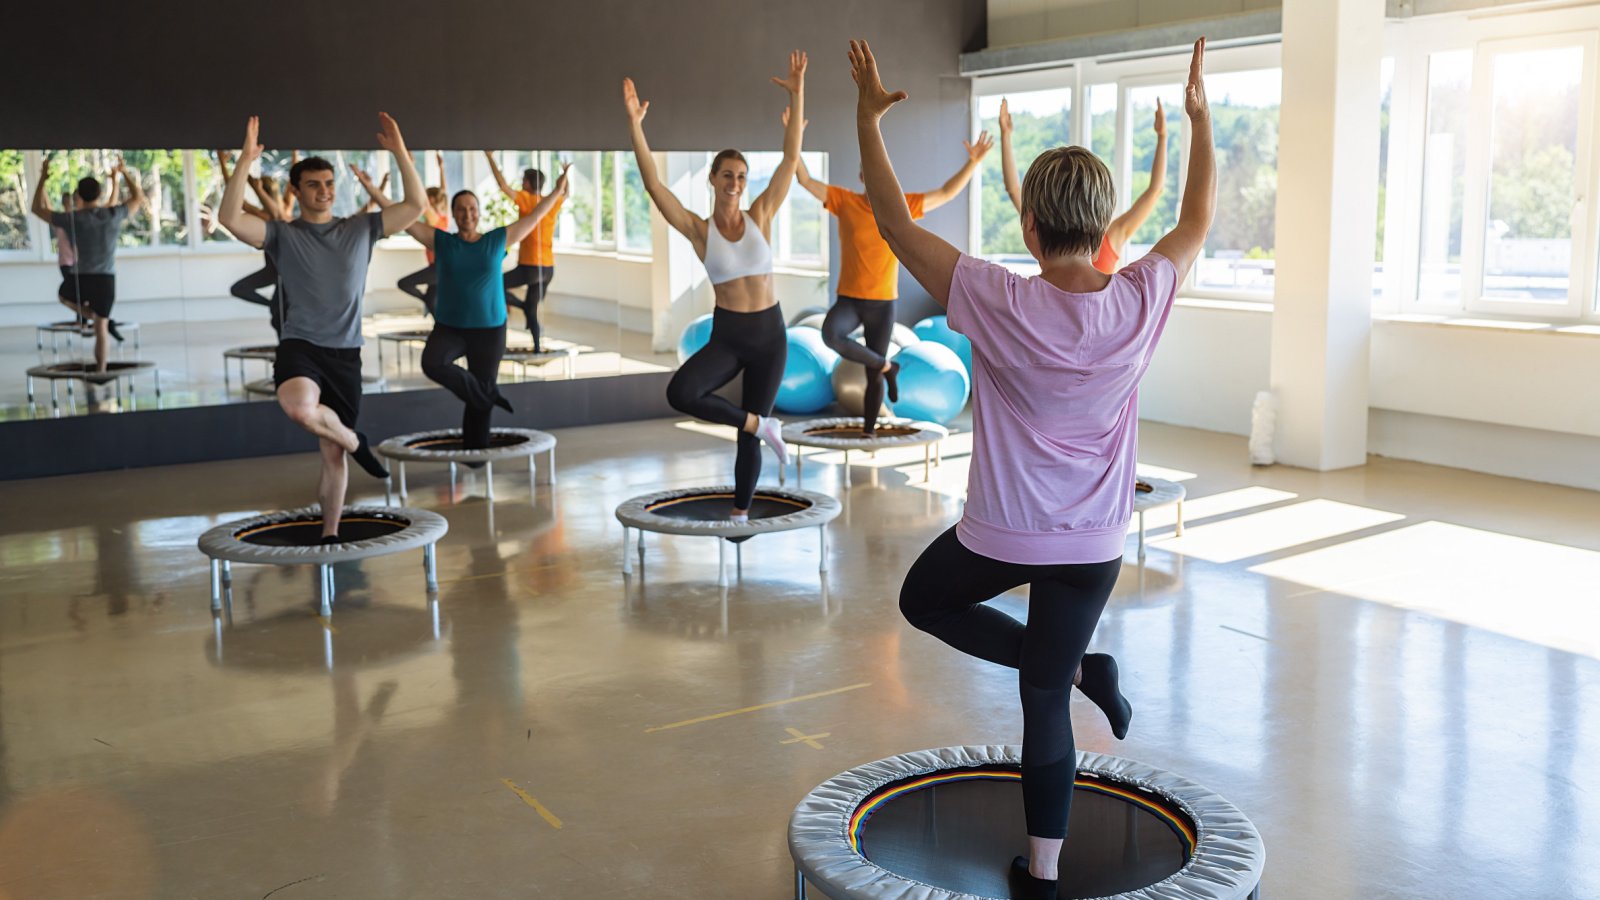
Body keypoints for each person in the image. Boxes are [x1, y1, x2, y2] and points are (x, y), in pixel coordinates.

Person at [849, 37, 1214, 898]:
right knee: (1044, 695)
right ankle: (1043, 871)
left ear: (1031, 226)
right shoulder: (1141, 297)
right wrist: (1198, 121)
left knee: (923, 600)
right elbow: (1195, 223)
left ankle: (1082, 671)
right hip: (1092, 546)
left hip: (1003, 538)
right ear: (1101, 226)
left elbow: (894, 221)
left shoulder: (998, 296)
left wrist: (868, 120)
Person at [219, 113, 428, 540]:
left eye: (329, 183)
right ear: (296, 190)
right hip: (301, 344)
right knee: (299, 409)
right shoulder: (282, 234)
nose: (324, 191)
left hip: (346, 351)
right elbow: (229, 217)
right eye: (314, 184)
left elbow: (415, 207)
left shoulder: (361, 228)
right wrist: (244, 162)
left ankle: (329, 533)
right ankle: (357, 442)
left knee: (331, 454)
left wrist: (401, 153)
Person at [622, 50, 805, 520]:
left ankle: (740, 514)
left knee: (749, 438)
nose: (735, 182)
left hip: (769, 335)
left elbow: (790, 158)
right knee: (682, 392)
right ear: (712, 178)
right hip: (729, 335)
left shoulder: (761, 214)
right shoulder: (699, 230)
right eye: (728, 175)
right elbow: (655, 187)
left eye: (741, 177)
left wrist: (797, 89)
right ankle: (760, 424)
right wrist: (636, 125)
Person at [351, 164, 570, 449]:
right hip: (450, 327)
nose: (468, 214)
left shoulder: (496, 240)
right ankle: (487, 394)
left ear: (478, 213)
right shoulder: (441, 241)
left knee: (478, 402)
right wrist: (371, 188)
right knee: (432, 363)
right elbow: (403, 217)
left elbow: (538, 213)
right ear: (453, 214)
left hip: (490, 329)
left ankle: (476, 454)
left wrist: (559, 187)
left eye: (472, 209)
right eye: (461, 209)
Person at [792, 133, 993, 434]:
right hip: (850, 299)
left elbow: (946, 193)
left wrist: (973, 162)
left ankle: (869, 432)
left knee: (872, 376)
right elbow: (804, 179)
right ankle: (887, 365)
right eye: (868, 174)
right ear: (863, 176)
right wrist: (793, 136)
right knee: (832, 335)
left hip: (883, 302)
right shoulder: (845, 201)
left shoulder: (903, 207)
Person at [999, 95, 1167, 274]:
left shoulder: (1108, 237)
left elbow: (1154, 191)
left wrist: (1163, 137)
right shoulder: (1049, 224)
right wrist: (1005, 136)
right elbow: (1014, 190)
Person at [30, 155, 146, 372]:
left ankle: (91, 316)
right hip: (106, 278)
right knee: (101, 327)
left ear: (78, 196)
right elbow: (138, 197)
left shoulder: (72, 218)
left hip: (81, 277)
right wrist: (123, 173)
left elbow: (37, 209)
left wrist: (43, 179)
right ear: (99, 194)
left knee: (64, 296)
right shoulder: (112, 214)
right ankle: (101, 370)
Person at [485, 153, 564, 351]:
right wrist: (564, 176)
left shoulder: (527, 199)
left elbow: (502, 185)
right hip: (548, 269)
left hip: (530, 266)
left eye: (522, 181)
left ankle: (521, 307)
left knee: (495, 285)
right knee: (532, 309)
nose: (520, 184)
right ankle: (537, 348)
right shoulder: (551, 202)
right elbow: (565, 193)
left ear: (528, 183)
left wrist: (489, 157)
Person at [390, 150, 450, 313]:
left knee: (406, 284)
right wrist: (441, 168)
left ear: (432, 199)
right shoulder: (444, 217)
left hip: (438, 265)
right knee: (432, 300)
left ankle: (444, 326)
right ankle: (442, 324)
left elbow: (419, 197)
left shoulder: (434, 218)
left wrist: (411, 166)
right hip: (439, 264)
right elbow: (443, 191)